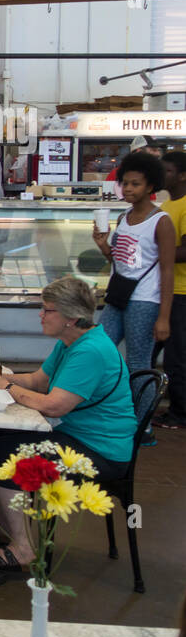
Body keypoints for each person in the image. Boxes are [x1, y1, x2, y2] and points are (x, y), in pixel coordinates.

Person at [0, 276, 137, 571]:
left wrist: (5, 388)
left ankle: (23, 548)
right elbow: (38, 380)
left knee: (5, 453)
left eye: (48, 310)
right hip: (79, 437)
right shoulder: (72, 341)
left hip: (101, 452)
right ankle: (8, 529)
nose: (40, 315)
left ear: (71, 318)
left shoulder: (90, 351)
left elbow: (53, 404)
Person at [92, 149, 175, 441]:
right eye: (125, 183)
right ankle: (112, 413)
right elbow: (121, 260)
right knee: (99, 349)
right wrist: (103, 246)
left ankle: (143, 426)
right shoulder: (124, 217)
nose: (128, 189)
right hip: (118, 298)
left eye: (135, 183)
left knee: (139, 362)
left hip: (145, 300)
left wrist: (164, 316)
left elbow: (167, 270)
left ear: (151, 186)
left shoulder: (161, 221)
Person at [154, 151, 186, 429]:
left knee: (177, 357)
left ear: (182, 175)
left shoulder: (185, 205)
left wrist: (155, 250)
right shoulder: (168, 206)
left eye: (167, 171)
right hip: (165, 290)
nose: (162, 175)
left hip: (182, 291)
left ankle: (180, 413)